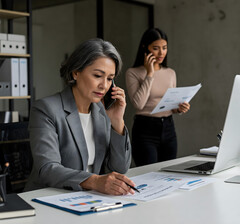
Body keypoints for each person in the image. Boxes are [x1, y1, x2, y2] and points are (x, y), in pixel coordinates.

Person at [25, 38, 136, 196]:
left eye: (110, 79)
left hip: (90, 199)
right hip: (49, 197)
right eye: (98, 75)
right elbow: (47, 168)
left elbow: (119, 170)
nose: (104, 85)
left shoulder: (102, 111)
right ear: (76, 72)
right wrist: (96, 181)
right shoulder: (46, 109)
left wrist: (117, 122)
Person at [125, 28, 190, 167]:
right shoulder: (133, 73)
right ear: (145, 47)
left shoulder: (170, 73)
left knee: (168, 172)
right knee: (148, 174)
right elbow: (138, 104)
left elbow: (170, 104)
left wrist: (179, 108)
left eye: (164, 48)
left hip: (168, 127)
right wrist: (150, 74)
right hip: (145, 129)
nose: (161, 53)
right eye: (156, 48)